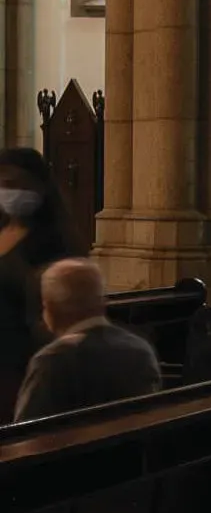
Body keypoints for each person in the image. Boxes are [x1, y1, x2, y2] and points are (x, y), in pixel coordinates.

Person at [13, 258, 160, 421]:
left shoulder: (52, 360)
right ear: (101, 301)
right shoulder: (139, 349)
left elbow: (25, 433)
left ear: (51, 309)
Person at [0, 147, 82, 419]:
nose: (8, 191)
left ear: (40, 187)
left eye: (15, 183)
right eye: (2, 184)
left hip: (21, 363)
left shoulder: (54, 243)